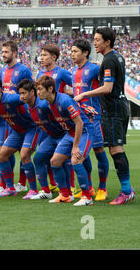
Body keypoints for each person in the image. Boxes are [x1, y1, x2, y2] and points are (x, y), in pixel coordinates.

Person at [74, 27, 136, 205]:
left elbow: (107, 88)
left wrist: (85, 94)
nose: (94, 42)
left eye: (98, 39)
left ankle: (126, 190)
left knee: (116, 149)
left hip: (114, 109)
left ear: (107, 42)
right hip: (118, 107)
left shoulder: (108, 60)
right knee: (113, 149)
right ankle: (127, 188)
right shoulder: (117, 56)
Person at [36, 76, 94, 206]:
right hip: (70, 133)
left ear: (50, 88)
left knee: (76, 160)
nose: (38, 92)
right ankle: (65, 195)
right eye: (37, 89)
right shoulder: (47, 104)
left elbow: (79, 123)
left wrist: (75, 146)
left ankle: (87, 197)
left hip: (85, 131)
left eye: (40, 89)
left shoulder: (65, 101)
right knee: (55, 161)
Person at [0, 77, 39, 199]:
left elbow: (32, 100)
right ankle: (10, 188)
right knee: (1, 155)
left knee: (24, 156)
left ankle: (34, 190)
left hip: (31, 129)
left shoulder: (11, 98)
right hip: (16, 132)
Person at [70, 39, 110, 201]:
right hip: (80, 118)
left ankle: (103, 188)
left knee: (99, 151)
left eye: (75, 51)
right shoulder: (73, 70)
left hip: (94, 117)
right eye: (71, 51)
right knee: (81, 152)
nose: (72, 54)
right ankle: (89, 187)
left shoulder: (94, 68)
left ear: (85, 53)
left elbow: (106, 83)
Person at [18, 79, 67, 200]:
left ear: (32, 92)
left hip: (63, 135)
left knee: (69, 161)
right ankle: (46, 191)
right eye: (20, 93)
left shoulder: (44, 105)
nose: (21, 97)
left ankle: (72, 191)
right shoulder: (28, 107)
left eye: (23, 93)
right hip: (51, 136)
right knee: (38, 158)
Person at [36, 43, 74, 192]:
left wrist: (68, 97)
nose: (42, 58)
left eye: (45, 55)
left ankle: (71, 186)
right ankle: (54, 184)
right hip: (45, 121)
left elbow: (77, 87)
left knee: (63, 156)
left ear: (54, 57)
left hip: (59, 120)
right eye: (41, 55)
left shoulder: (62, 73)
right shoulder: (40, 74)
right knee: (44, 154)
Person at [0, 40, 33, 192]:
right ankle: (8, 185)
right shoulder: (2, 71)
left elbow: (30, 91)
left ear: (14, 53)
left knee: (23, 153)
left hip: (23, 115)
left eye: (6, 52)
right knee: (6, 152)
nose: (3, 54)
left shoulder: (24, 70)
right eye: (2, 52)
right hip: (9, 117)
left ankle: (22, 183)